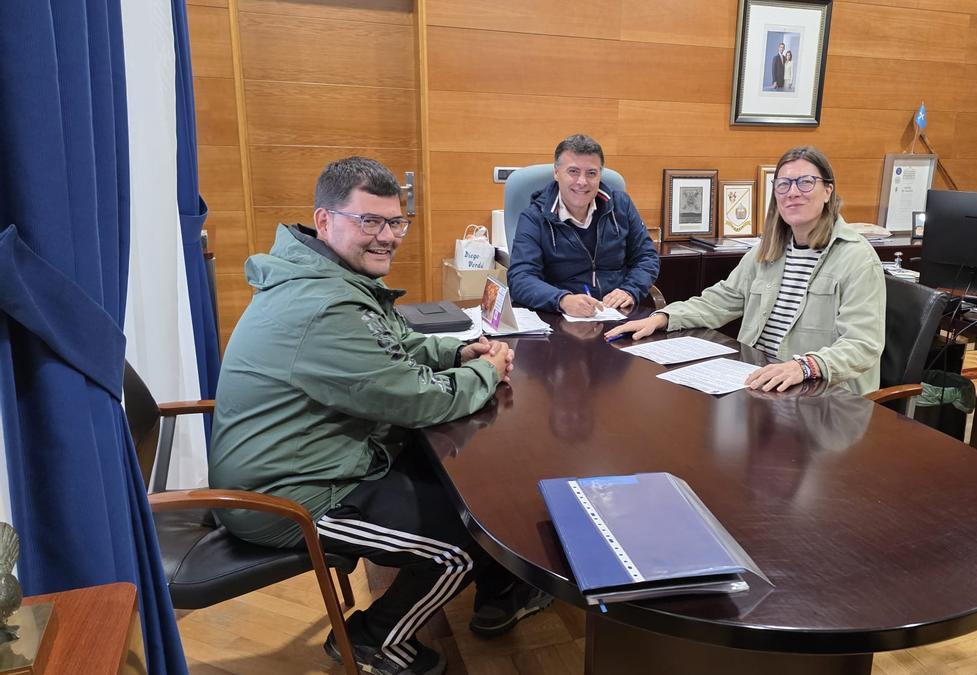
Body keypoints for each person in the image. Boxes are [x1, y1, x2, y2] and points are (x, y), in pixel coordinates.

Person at [210, 157, 550, 675]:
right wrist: (490, 370)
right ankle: (375, 642)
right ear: (324, 220)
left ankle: (500, 586)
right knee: (459, 542)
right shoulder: (324, 306)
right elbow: (415, 398)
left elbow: (392, 344)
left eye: (396, 222)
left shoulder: (329, 275)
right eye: (370, 221)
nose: (387, 236)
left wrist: (456, 355)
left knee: (470, 494)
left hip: (320, 459)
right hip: (288, 497)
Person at [605, 146, 885, 395]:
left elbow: (863, 344)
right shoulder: (768, 250)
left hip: (820, 393)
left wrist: (805, 366)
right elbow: (720, 300)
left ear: (828, 191)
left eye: (806, 182)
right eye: (784, 184)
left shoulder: (857, 258)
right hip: (758, 381)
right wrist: (663, 317)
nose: (794, 192)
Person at [507, 134, 660, 317]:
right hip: (561, 317)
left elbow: (647, 257)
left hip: (617, 314)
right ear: (556, 173)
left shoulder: (621, 205)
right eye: (573, 171)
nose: (582, 182)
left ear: (599, 175)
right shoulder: (535, 217)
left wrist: (629, 290)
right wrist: (562, 300)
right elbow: (520, 278)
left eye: (591, 173)